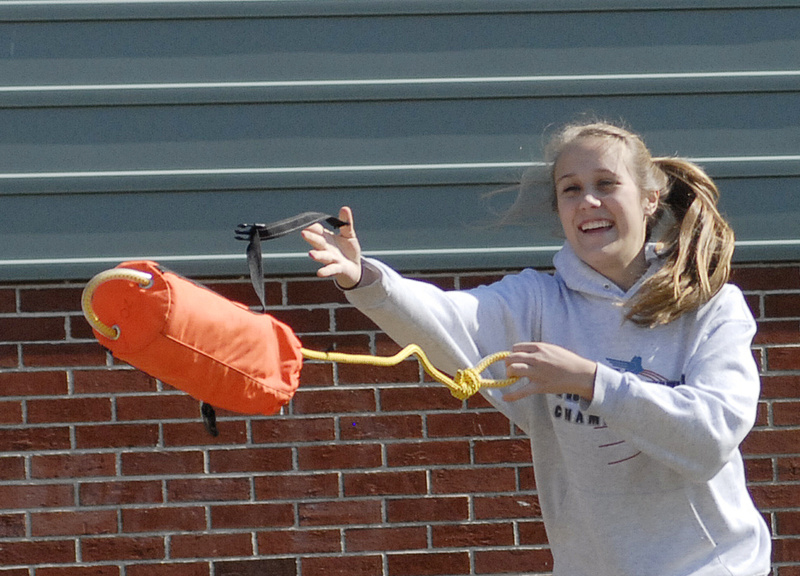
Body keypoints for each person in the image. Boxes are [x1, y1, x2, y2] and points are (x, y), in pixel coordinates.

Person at [301, 121, 771, 575]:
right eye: (571, 189)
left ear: (650, 200)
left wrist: (589, 381)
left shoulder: (709, 305)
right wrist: (365, 280)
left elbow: (712, 437)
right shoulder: (536, 303)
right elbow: (446, 317)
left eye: (606, 183)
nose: (588, 200)